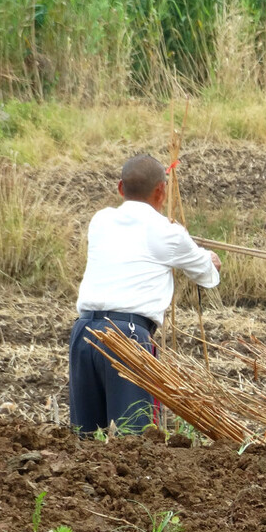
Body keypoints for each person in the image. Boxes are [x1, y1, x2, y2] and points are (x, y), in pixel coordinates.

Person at [68, 154, 221, 435]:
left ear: (120, 188)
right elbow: (206, 274)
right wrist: (209, 257)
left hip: (84, 332)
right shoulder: (168, 233)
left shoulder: (100, 221)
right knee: (135, 444)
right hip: (127, 337)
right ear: (161, 190)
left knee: (83, 441)